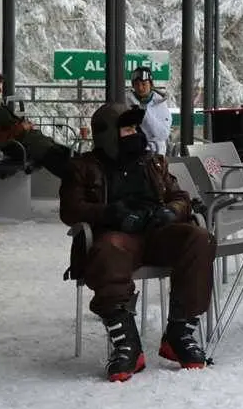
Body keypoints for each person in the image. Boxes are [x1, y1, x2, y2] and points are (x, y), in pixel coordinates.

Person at [59, 102, 216, 382]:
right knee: (110, 248)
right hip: (118, 237)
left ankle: (180, 333)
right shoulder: (83, 167)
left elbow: (179, 196)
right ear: (107, 134)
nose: (134, 134)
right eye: (126, 128)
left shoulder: (152, 162)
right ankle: (126, 342)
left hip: (156, 232)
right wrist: (110, 213)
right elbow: (70, 209)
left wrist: (171, 211)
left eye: (135, 127)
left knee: (199, 238)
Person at [0, 71, 71, 179]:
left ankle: (81, 169)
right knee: (54, 155)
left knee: (60, 150)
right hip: (22, 145)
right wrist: (21, 127)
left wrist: (23, 125)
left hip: (28, 141)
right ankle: (77, 177)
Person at [126, 67, 172, 155]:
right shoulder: (127, 101)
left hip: (156, 154)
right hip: (133, 153)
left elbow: (163, 134)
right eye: (137, 84)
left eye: (144, 84)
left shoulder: (160, 102)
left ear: (150, 85)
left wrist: (145, 112)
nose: (140, 88)